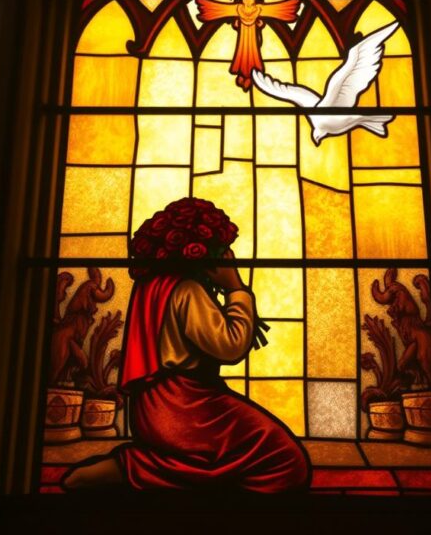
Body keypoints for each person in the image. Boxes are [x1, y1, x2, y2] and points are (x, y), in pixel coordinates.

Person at [61, 198, 310, 492]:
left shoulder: (153, 284)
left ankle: (121, 470)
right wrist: (235, 289)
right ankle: (134, 468)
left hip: (152, 407)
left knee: (219, 459)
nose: (227, 255)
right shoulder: (187, 290)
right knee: (284, 459)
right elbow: (229, 345)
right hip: (186, 407)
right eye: (221, 249)